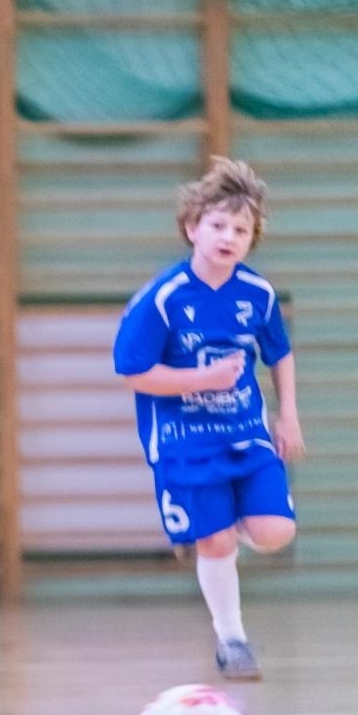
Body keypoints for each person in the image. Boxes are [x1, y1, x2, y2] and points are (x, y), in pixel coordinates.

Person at [114, 157, 303, 681]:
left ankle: (207, 531)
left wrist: (287, 415)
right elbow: (133, 372)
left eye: (241, 229)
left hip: (245, 431)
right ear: (192, 227)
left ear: (252, 239)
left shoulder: (257, 293)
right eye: (218, 225)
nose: (229, 236)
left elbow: (278, 352)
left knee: (274, 532)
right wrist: (202, 379)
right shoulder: (164, 299)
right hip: (183, 440)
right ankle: (232, 639)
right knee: (217, 542)